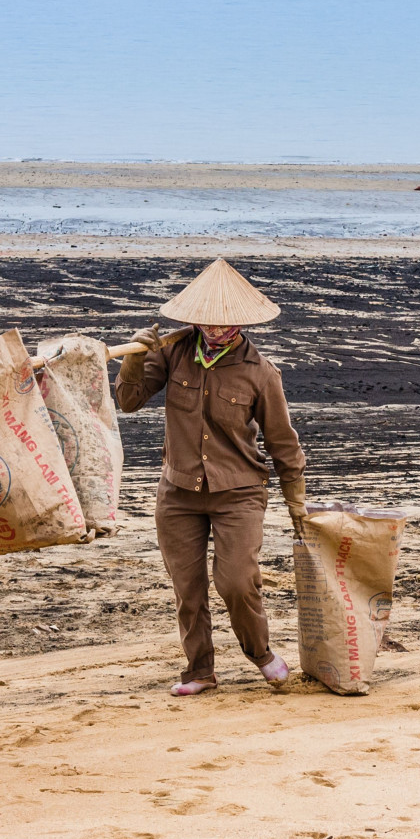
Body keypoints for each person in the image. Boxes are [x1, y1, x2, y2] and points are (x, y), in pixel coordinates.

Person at [114, 259, 308, 696]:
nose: (216, 330)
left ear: (241, 321)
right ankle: (199, 670)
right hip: (178, 491)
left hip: (238, 492)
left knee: (236, 582)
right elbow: (128, 401)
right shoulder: (173, 351)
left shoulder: (261, 372)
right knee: (188, 589)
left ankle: (260, 653)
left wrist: (296, 503)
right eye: (208, 322)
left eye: (226, 324)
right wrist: (134, 358)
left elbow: (283, 444)